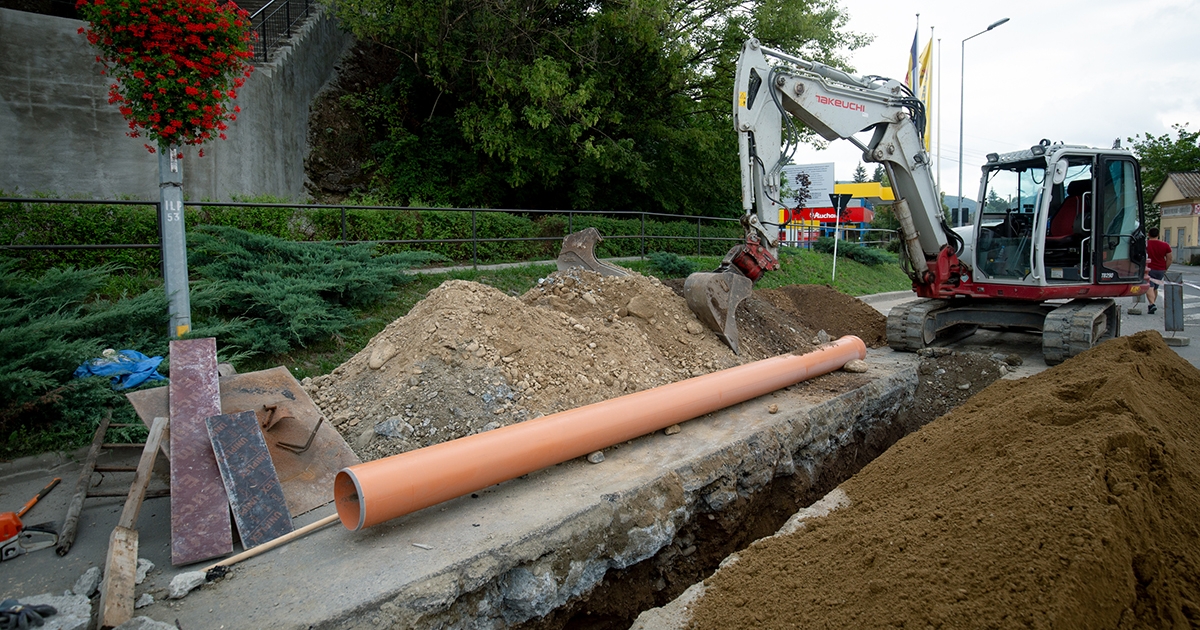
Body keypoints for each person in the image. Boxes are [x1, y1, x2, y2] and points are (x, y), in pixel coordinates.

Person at [1146, 227, 1173, 314]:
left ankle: (1152, 304)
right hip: (1161, 269)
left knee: (1149, 287)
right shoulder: (1165, 245)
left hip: (1148, 268)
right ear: (1158, 235)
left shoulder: (1145, 244)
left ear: (1148, 234)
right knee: (1155, 288)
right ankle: (1151, 305)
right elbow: (1169, 258)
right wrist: (1165, 268)